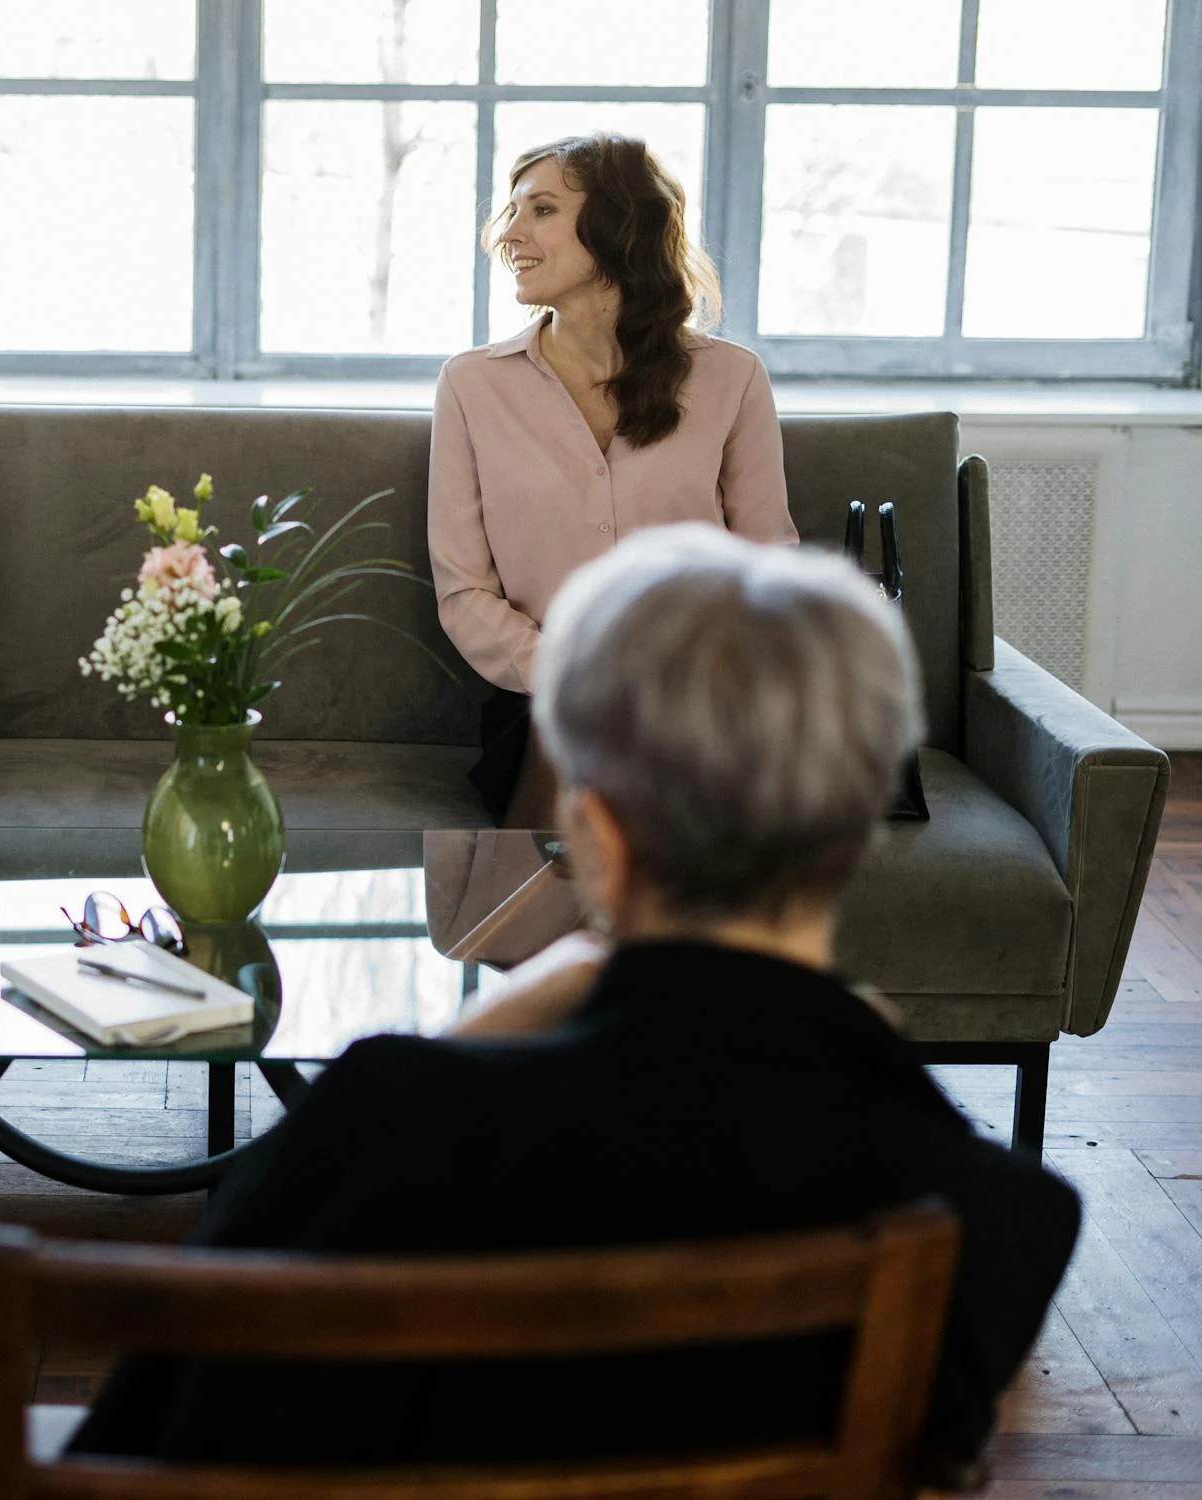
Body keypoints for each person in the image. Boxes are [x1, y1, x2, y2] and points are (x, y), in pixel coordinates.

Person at [70, 526, 1079, 1484]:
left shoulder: (384, 1126)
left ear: (595, 835)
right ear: (857, 832)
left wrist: (458, 1040)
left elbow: (148, 1431)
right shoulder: (996, 1220)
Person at [430, 133, 797, 828]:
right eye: (510, 212)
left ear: (618, 224)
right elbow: (463, 591)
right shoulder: (472, 385)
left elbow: (768, 569)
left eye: (540, 210)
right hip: (546, 697)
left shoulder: (731, 378)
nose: (510, 235)